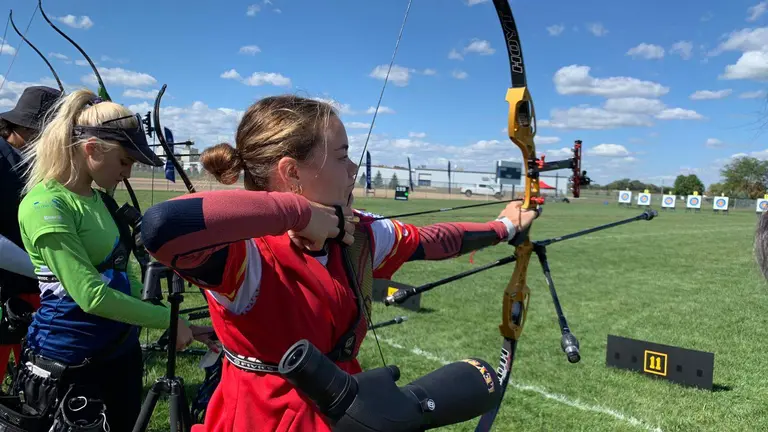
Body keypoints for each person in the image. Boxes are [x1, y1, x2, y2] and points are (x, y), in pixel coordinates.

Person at [140, 94, 540, 432]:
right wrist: (299, 214)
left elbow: (433, 240)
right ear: (292, 173)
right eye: (343, 156)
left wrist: (504, 226)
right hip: (260, 418)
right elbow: (161, 226)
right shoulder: (247, 254)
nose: (352, 170)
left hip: (351, 411)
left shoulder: (356, 235)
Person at [13, 88, 211, 431]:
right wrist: (168, 320)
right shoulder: (46, 204)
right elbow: (91, 296)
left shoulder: (100, 201)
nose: (128, 172)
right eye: (124, 161)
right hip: (70, 363)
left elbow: (124, 272)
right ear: (92, 149)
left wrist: (186, 327)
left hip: (119, 353)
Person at [0, 86, 61, 382]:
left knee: (36, 383)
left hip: (37, 294)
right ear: (26, 127)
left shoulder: (39, 164)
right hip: (7, 291)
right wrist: (45, 270)